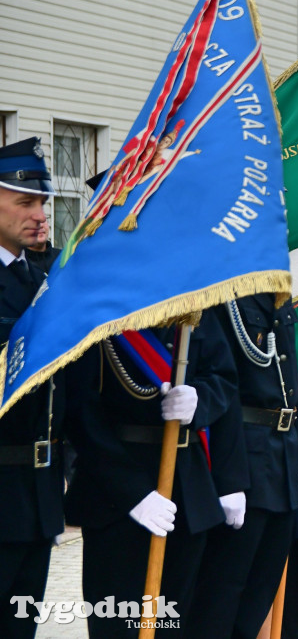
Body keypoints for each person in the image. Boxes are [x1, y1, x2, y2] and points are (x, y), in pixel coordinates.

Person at [64, 313, 241, 638]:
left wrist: (200, 399)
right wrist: (134, 493)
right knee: (118, 624)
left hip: (186, 490)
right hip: (115, 497)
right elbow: (79, 411)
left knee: (174, 624)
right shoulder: (98, 307)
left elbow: (224, 377)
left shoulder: (196, 302)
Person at [187, 294, 298, 639]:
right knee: (222, 591)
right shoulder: (224, 297)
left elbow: (292, 386)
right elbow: (223, 387)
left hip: (284, 458)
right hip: (244, 457)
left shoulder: (275, 297)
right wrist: (230, 479)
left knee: (262, 587)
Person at [0, 137, 66, 638]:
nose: (38, 213)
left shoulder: (39, 277)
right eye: (24, 201)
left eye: (41, 201)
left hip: (37, 493)